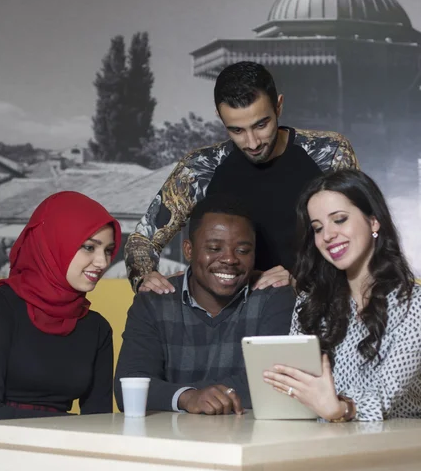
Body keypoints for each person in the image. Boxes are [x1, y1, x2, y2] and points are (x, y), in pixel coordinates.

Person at [124, 61, 358, 295]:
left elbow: (359, 236)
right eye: (237, 130)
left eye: (261, 125)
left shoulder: (329, 153)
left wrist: (301, 283)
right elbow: (141, 241)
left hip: (314, 309)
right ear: (220, 117)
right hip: (230, 318)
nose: (252, 142)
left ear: (278, 106)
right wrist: (146, 278)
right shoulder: (200, 168)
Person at [0, 191, 121, 470]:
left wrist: (75, 433)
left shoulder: (97, 328)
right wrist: (73, 426)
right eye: (89, 247)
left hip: (59, 454)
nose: (102, 262)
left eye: (108, 250)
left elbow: (98, 422)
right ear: (53, 242)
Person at [262, 170, 421, 422]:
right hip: (322, 442)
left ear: (373, 221)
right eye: (317, 228)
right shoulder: (310, 301)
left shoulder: (413, 304)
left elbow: (387, 395)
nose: (327, 235)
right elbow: (298, 387)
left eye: (339, 219)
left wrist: (342, 408)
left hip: (397, 447)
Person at [114, 195, 295, 415]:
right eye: (214, 248)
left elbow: (277, 383)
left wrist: (184, 393)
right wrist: (187, 397)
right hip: (170, 443)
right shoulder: (153, 300)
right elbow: (130, 387)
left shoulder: (273, 298)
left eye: (243, 251)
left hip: (248, 441)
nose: (229, 259)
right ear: (188, 251)